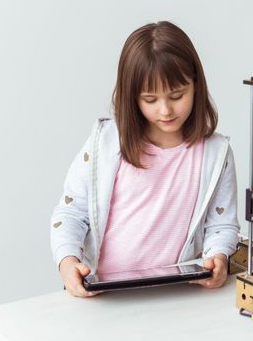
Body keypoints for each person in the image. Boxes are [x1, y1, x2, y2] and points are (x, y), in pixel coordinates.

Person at [50, 21, 239, 297]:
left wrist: (218, 258)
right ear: (132, 98)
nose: (165, 110)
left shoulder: (216, 153)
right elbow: (70, 213)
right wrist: (67, 262)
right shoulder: (105, 143)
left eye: (177, 95)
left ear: (196, 85)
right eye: (150, 100)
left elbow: (222, 224)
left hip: (178, 296)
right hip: (105, 297)